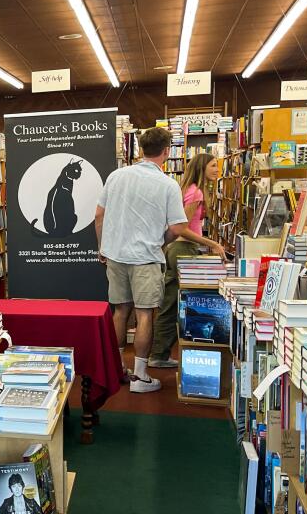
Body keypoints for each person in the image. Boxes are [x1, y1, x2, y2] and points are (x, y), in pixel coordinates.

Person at [95, 127, 226, 393]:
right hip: (145, 257)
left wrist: (103, 247)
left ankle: (119, 368)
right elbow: (178, 228)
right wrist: (160, 241)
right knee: (145, 314)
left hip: (116, 255)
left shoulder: (116, 176)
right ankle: (141, 376)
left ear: (141, 149)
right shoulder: (166, 184)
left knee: (120, 311)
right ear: (167, 152)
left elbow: (99, 215)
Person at [150, 152, 220, 368]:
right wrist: (212, 244)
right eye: (213, 166)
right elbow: (184, 229)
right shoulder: (196, 193)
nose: (217, 170)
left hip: (176, 248)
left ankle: (159, 354)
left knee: (171, 303)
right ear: (202, 168)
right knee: (176, 304)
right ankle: (159, 355)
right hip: (184, 249)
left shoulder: (187, 190)